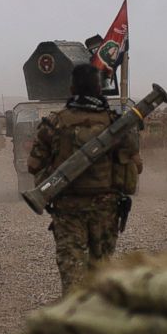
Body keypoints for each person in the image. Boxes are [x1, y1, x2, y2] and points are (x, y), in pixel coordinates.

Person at [27, 64, 142, 295]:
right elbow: (135, 164)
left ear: (71, 88)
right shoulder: (116, 124)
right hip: (106, 209)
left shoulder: (55, 123)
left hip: (67, 209)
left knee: (72, 269)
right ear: (100, 89)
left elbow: (33, 165)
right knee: (101, 269)